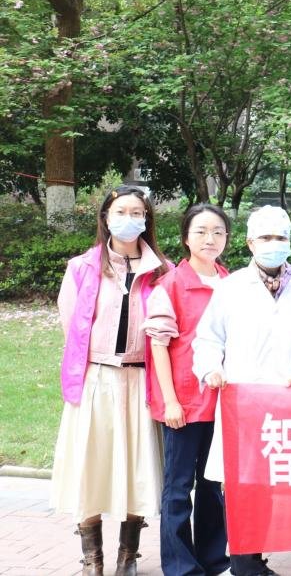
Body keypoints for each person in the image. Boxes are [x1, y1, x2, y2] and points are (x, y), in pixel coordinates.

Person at [53, 186, 171, 576]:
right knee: (90, 466)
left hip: (140, 380)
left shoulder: (162, 270)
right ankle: (93, 558)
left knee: (138, 468)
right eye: (120, 211)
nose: (128, 219)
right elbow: (71, 327)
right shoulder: (82, 267)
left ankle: (127, 556)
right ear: (105, 217)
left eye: (137, 212)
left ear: (147, 219)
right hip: (95, 378)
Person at [193, 205, 291, 576]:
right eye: (265, 237)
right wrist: (211, 368)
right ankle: (243, 563)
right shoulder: (231, 288)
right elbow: (208, 338)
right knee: (241, 483)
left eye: (280, 237)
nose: (274, 244)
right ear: (249, 243)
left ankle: (256, 559)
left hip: (284, 398)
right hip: (241, 400)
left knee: (269, 482)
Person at [142, 203, 232, 576]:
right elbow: (158, 346)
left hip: (222, 404)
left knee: (212, 485)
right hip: (184, 402)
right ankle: (180, 567)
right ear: (185, 238)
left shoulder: (231, 283)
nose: (210, 239)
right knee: (179, 489)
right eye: (201, 231)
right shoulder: (171, 285)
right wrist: (170, 402)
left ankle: (214, 560)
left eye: (218, 232)